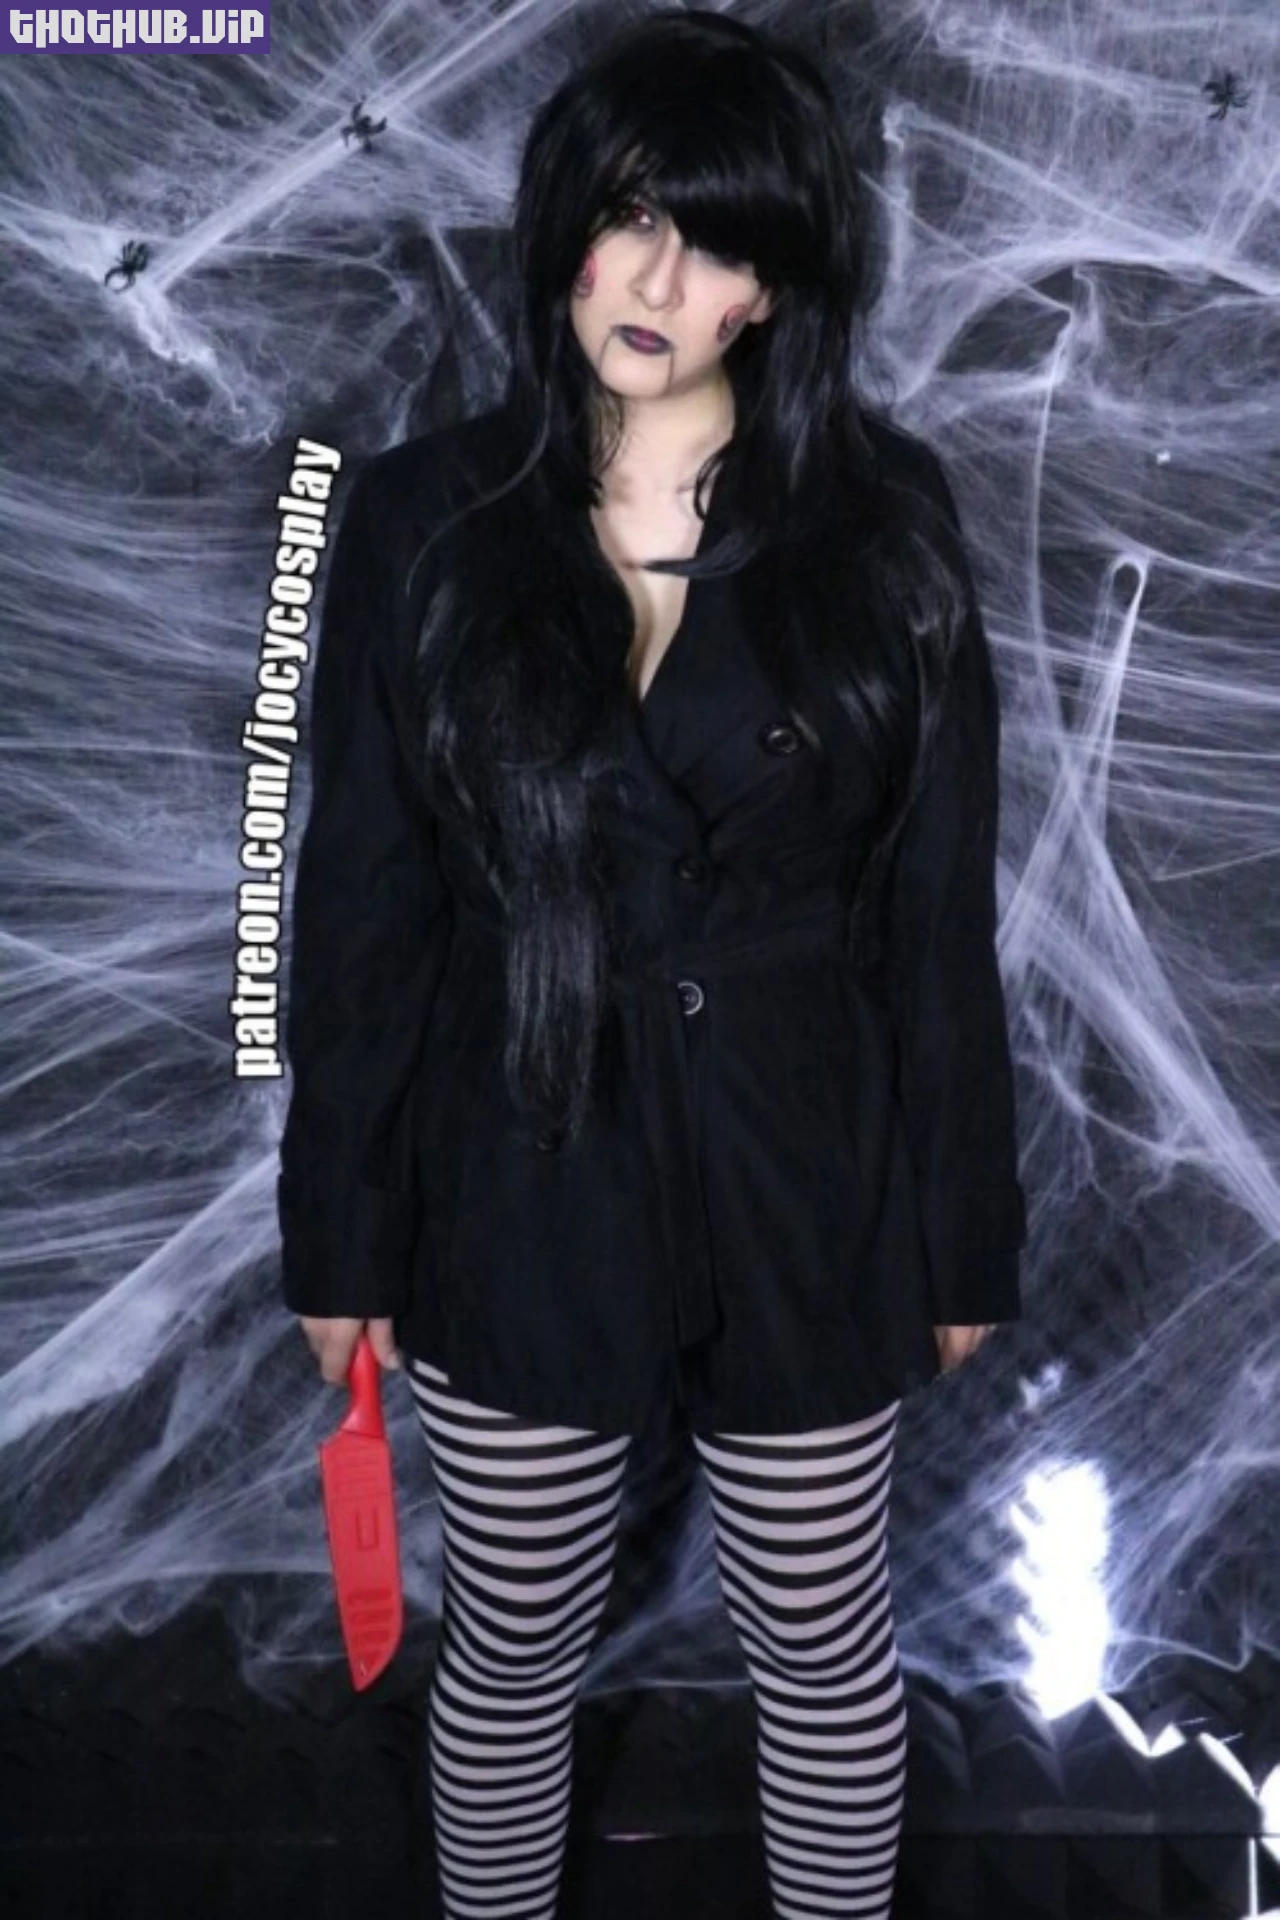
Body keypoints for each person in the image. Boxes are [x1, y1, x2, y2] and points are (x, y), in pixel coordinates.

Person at [277, 10, 1029, 1918]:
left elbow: (936, 907)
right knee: (512, 1642)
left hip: (806, 1172)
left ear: (774, 287)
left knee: (825, 1647)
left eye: (712, 241)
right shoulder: (420, 515)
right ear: (564, 232)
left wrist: (960, 1233)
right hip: (516, 1163)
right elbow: (360, 903)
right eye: (626, 217)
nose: (657, 278)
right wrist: (342, 1236)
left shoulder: (886, 518)